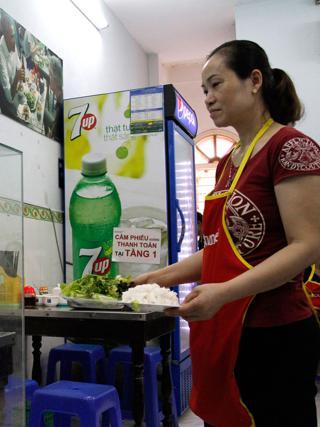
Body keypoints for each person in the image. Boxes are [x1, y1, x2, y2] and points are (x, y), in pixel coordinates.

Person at [133, 40, 320, 426]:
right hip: (224, 331)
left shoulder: (290, 148)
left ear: (254, 81)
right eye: (204, 90)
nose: (209, 98)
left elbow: (309, 245)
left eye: (216, 84)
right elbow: (218, 250)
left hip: (274, 335)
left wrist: (224, 293)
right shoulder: (230, 161)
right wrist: (158, 277)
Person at [0, 10, 25, 119]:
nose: (15, 41)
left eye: (13, 35)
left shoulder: (11, 42)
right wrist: (17, 77)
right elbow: (8, 96)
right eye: (12, 37)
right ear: (5, 36)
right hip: (4, 93)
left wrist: (21, 76)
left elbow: (19, 63)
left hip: (14, 86)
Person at [43, 56, 63, 142]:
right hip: (55, 130)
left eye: (50, 75)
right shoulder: (60, 97)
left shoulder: (62, 104)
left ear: (55, 78)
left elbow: (56, 134)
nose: (48, 77)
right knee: (43, 110)